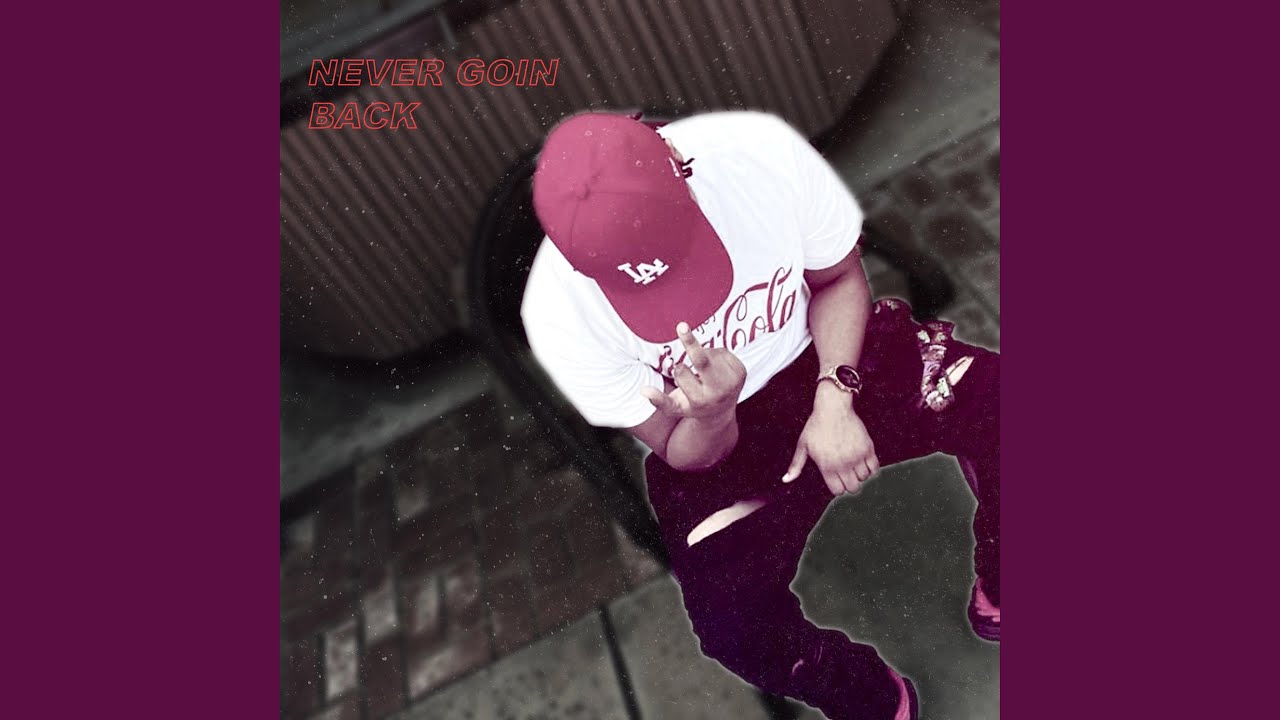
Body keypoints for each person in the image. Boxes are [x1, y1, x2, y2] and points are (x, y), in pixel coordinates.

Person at [520, 110, 1000, 720]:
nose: (686, 305)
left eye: (682, 258)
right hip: (715, 432)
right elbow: (678, 450)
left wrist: (834, 398)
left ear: (678, 163)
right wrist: (715, 413)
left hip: (827, 354)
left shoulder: (760, 156)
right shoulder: (560, 317)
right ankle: (872, 699)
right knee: (733, 626)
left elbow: (837, 280)